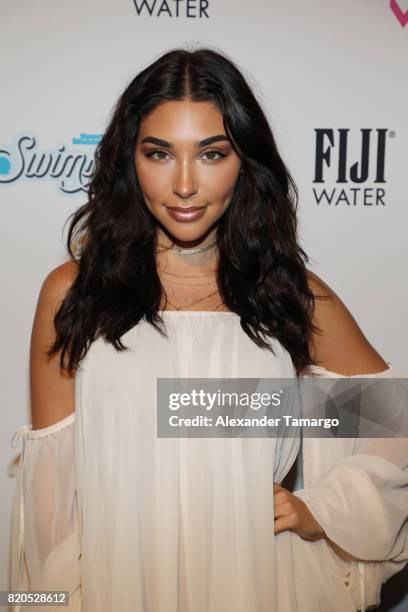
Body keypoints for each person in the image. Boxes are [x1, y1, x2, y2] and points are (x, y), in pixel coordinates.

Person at [8, 47, 408, 612]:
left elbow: (391, 424)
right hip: (116, 583)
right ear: (130, 159)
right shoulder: (73, 292)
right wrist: (45, 604)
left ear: (245, 161)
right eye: (160, 153)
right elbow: (51, 505)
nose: (186, 184)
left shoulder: (287, 292)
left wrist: (320, 509)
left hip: (256, 580)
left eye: (212, 153)